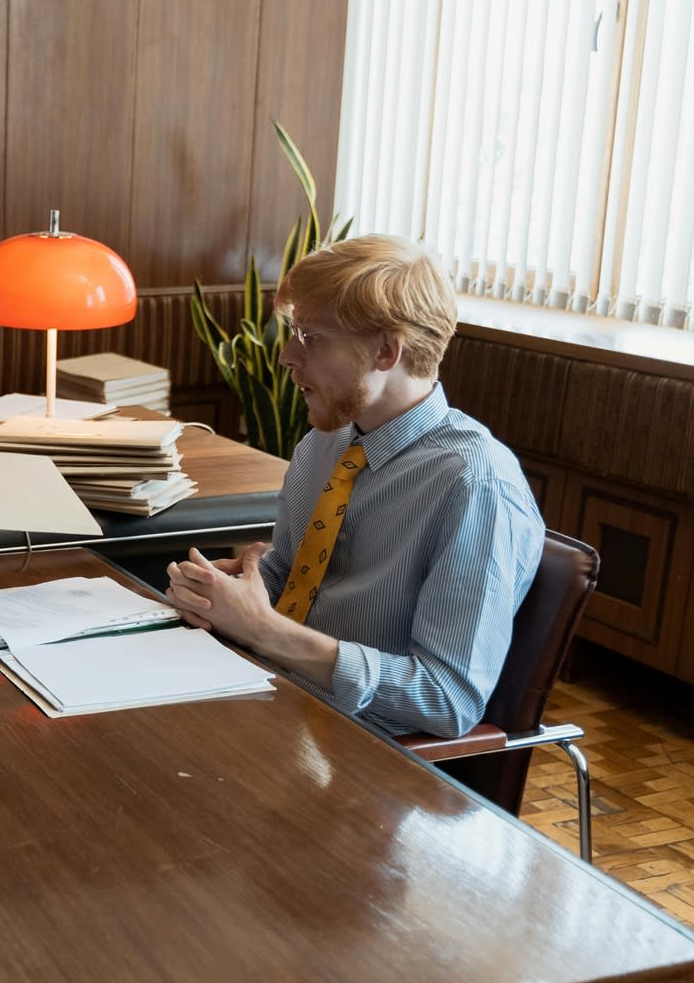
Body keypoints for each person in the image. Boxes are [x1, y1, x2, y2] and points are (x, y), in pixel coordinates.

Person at [165, 235, 544, 739]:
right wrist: (229, 593)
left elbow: (447, 700)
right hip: (270, 700)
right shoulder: (324, 444)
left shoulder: (474, 484)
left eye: (311, 337)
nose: (286, 356)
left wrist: (264, 628)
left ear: (387, 350)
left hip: (361, 752)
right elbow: (293, 578)